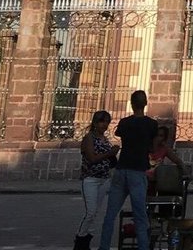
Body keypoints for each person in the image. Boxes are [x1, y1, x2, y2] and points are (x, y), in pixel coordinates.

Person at [97, 89, 159, 250]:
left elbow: (120, 134)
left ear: (131, 104)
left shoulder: (124, 122)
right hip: (138, 171)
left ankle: (104, 247)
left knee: (110, 214)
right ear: (145, 103)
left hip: (121, 168)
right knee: (140, 215)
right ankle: (143, 247)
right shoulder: (152, 124)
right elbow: (153, 148)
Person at [74, 110, 116, 250]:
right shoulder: (89, 138)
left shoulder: (106, 139)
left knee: (96, 212)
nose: (105, 125)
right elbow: (92, 158)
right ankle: (80, 239)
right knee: (90, 211)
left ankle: (87, 239)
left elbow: (108, 158)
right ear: (95, 122)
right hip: (91, 179)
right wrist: (109, 153)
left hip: (104, 179)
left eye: (107, 122)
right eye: (102, 121)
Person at [146, 124, 186, 192]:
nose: (157, 138)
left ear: (164, 138)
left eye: (161, 136)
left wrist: (184, 171)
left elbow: (177, 160)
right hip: (143, 179)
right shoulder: (145, 147)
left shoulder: (164, 149)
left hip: (156, 179)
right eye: (156, 135)